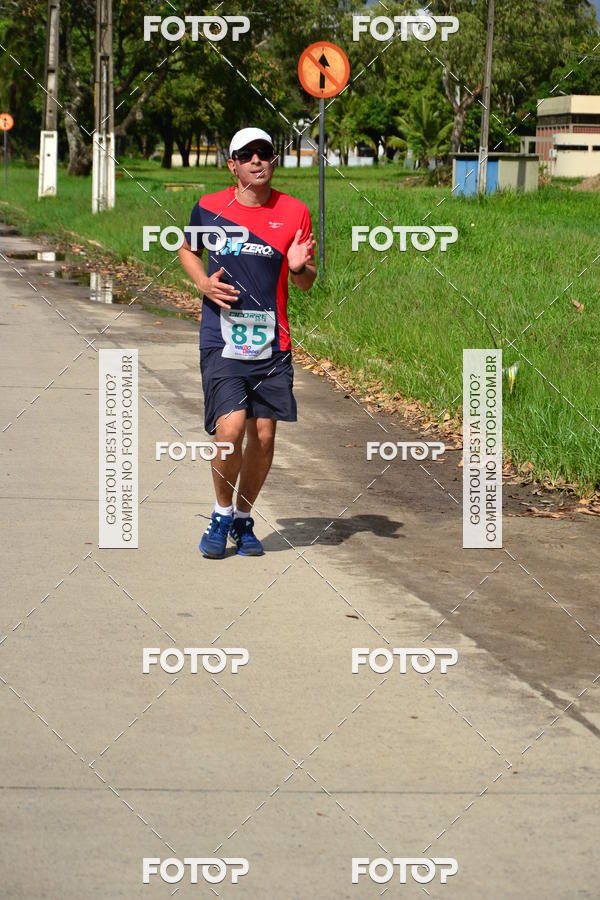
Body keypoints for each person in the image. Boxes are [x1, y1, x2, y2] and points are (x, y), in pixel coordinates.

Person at [178, 127, 316, 559]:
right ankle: (220, 516)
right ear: (232, 164)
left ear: (274, 161)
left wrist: (298, 268)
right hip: (222, 336)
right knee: (231, 428)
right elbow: (186, 248)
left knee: (264, 436)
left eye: (265, 153)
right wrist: (202, 282)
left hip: (272, 343)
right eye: (247, 154)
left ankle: (242, 518)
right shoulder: (209, 208)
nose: (257, 160)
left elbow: (308, 282)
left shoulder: (295, 212)